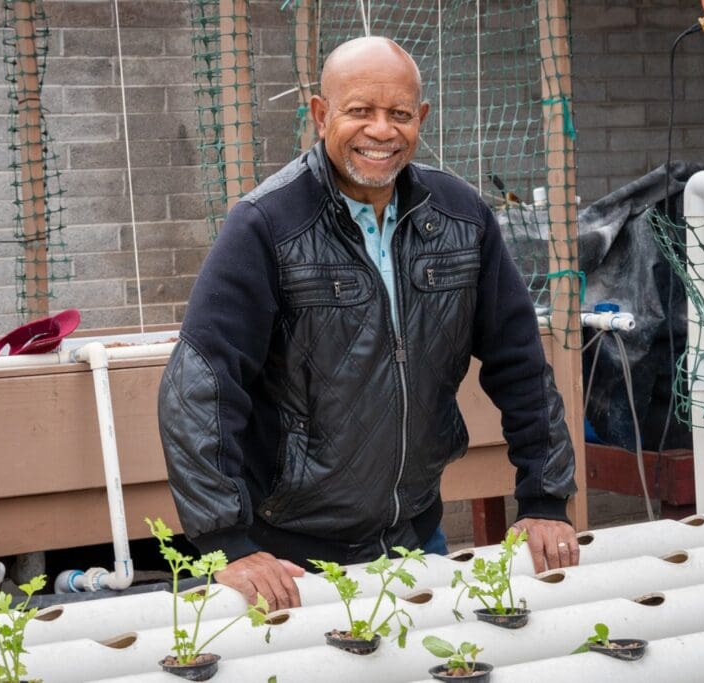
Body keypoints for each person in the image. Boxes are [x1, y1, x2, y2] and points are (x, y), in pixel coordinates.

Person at [158, 36, 578, 613]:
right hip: (286, 557)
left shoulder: (463, 217)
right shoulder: (265, 225)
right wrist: (228, 544)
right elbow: (200, 388)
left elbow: (521, 363)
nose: (381, 130)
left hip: (414, 536)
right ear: (321, 113)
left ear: (420, 119)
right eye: (360, 110)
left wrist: (545, 500)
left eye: (399, 114)